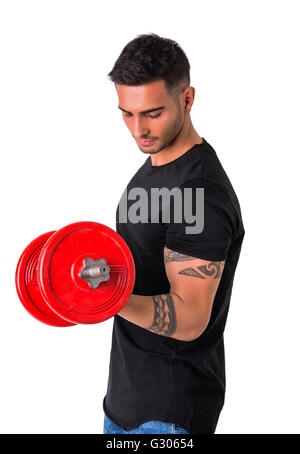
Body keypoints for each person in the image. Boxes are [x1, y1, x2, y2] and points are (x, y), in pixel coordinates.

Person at [102, 33, 245, 435]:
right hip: (125, 401)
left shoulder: (198, 192)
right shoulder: (154, 167)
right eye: (127, 113)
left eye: (152, 113)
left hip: (169, 414)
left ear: (187, 98)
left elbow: (191, 317)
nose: (138, 129)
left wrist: (104, 298)